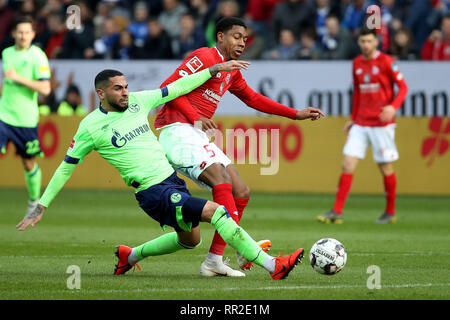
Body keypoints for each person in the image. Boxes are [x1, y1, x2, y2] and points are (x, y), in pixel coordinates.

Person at [15, 62, 305, 281]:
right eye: (118, 88)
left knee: (190, 240)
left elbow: (177, 88)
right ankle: (273, 265)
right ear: (101, 93)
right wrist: (41, 205)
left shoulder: (139, 102)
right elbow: (66, 168)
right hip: (152, 192)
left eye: (126, 86)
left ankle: (131, 255)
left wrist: (213, 69)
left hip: (171, 182)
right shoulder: (90, 126)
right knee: (217, 211)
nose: (125, 92)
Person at [154, 17, 324, 277]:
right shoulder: (205, 57)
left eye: (245, 38)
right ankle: (264, 260)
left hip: (195, 133)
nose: (242, 43)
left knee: (241, 191)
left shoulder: (232, 71)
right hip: (176, 130)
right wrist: (195, 116)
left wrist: (295, 114)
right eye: (236, 36)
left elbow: (253, 98)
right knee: (221, 181)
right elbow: (167, 87)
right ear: (220, 36)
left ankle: (214, 260)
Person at [317, 27, 408, 225]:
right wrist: (353, 118)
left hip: (381, 124)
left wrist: (393, 107)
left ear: (376, 42)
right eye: (362, 42)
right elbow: (357, 93)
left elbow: (403, 87)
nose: (366, 45)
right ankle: (337, 211)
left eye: (369, 41)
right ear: (359, 43)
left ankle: (390, 212)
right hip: (361, 123)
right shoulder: (357, 63)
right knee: (347, 163)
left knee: (385, 167)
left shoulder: (387, 62)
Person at [0, 16, 51, 218]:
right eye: (19, 32)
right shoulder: (7, 53)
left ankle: (33, 201)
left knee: (28, 163)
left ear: (33, 34)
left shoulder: (38, 56)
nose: (23, 36)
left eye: (26, 32)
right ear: (14, 34)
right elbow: (6, 85)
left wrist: (18, 78)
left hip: (26, 119)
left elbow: (45, 88)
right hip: (4, 115)